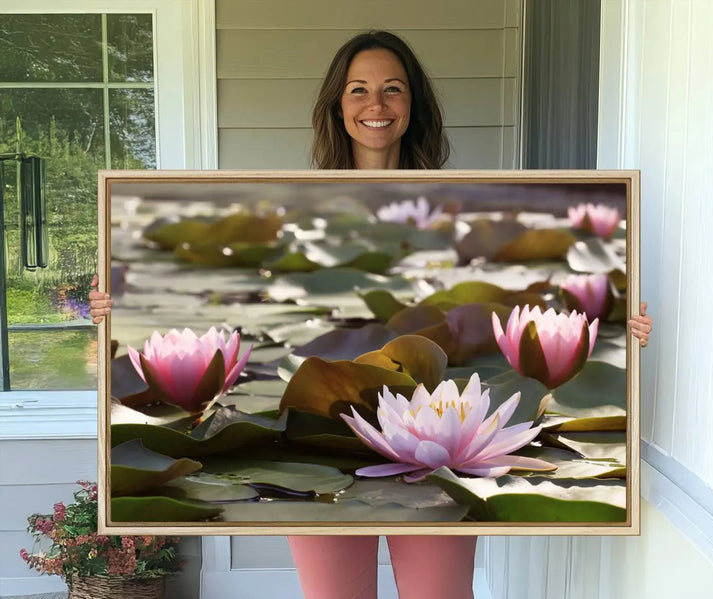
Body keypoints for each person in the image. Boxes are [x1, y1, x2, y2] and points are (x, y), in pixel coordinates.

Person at [90, 30, 653, 599]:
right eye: (359, 90)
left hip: (440, 435)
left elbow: (523, 305)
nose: (375, 105)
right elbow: (236, 313)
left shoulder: (460, 218)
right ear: (338, 105)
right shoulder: (291, 216)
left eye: (392, 90)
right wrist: (112, 311)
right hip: (323, 429)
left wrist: (621, 328)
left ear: (413, 106)